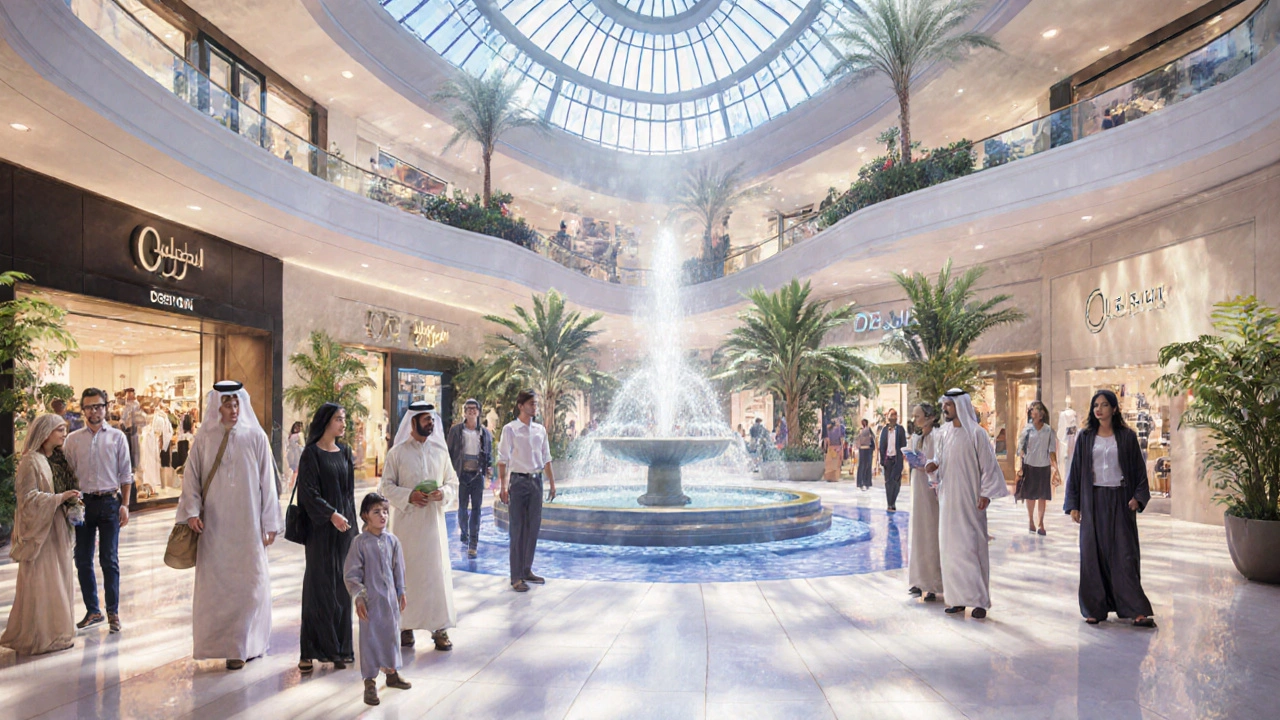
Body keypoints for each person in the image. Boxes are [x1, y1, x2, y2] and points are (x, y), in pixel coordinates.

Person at [176, 381, 282, 670]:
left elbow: (268, 483)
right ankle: (222, 646)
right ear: (217, 408)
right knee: (218, 589)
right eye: (227, 405)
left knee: (250, 585)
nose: (233, 410)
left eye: (236, 404)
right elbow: (191, 478)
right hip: (214, 528)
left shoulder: (255, 436)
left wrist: (270, 522)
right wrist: (192, 512)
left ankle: (245, 645)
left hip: (248, 526)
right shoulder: (204, 438)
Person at [1065, 390, 1156, 628]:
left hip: (1121, 501)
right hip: (1092, 501)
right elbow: (1076, 471)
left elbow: (1139, 470)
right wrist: (1074, 504)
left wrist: (1138, 498)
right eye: (1096, 405)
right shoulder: (1085, 437)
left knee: (1124, 555)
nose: (1099, 409)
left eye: (1104, 405)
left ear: (1114, 409)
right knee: (1092, 555)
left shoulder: (1127, 437)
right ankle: (1095, 608)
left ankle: (1135, 609)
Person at [379, 401, 457, 650]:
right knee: (407, 576)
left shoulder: (440, 452)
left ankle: (440, 629)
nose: (430, 423)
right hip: (407, 527)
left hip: (433, 526)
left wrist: (442, 493)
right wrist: (409, 496)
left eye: (432, 419)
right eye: (426, 419)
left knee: (435, 577)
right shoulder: (397, 453)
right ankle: (405, 627)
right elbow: (385, 486)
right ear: (413, 423)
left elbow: (452, 483)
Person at [1, 414, 80, 655]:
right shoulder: (30, 461)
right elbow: (27, 499)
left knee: (59, 578)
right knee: (44, 580)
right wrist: (60, 498)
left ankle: (59, 632)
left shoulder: (53, 459)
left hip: (56, 528)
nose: (64, 434)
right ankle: (41, 636)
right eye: (59, 430)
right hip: (41, 533)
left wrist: (71, 502)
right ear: (45, 433)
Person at [925, 389, 1008, 619]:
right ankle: (957, 599)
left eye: (949, 405)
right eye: (944, 404)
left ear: (960, 405)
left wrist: (985, 494)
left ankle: (979, 601)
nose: (945, 408)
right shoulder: (943, 434)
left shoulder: (977, 433)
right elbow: (939, 462)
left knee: (972, 548)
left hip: (971, 501)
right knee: (951, 550)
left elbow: (989, 467)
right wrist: (932, 467)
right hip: (948, 501)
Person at [61, 387, 132, 633]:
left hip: (110, 502)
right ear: (83, 410)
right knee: (82, 559)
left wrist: (125, 505)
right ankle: (93, 610)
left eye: (99, 406)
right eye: (90, 407)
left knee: (109, 559)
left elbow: (126, 474)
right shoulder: (73, 440)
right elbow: (68, 475)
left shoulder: (117, 437)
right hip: (83, 504)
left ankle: (113, 612)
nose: (95, 411)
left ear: (106, 408)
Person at [296, 403, 358, 673]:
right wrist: (331, 514)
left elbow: (349, 494)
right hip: (320, 530)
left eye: (343, 419)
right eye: (338, 419)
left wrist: (353, 529)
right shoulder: (310, 454)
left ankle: (339, 649)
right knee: (318, 588)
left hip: (344, 530)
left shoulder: (345, 452)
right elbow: (308, 493)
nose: (343, 424)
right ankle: (309, 651)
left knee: (342, 589)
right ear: (325, 422)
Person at [344, 493, 412, 706]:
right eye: (376, 512)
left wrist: (401, 591)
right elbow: (352, 574)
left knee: (391, 636)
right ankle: (370, 683)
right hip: (370, 603)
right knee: (370, 640)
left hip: (390, 601)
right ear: (365, 515)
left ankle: (392, 674)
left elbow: (398, 569)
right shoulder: (360, 543)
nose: (383, 516)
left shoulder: (392, 541)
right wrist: (359, 598)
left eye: (385, 511)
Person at [498, 390, 556, 593]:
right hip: (518, 481)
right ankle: (516, 577)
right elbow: (502, 460)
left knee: (533, 528)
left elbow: (546, 457)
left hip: (536, 482)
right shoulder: (510, 429)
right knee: (517, 529)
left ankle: (526, 569)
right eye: (531, 403)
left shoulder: (540, 430)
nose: (534, 407)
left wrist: (552, 483)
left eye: (535, 404)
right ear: (520, 406)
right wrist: (503, 486)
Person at [447, 398, 493, 559]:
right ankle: (464, 531)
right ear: (464, 412)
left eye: (474, 409)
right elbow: (449, 452)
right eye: (469, 409)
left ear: (479, 412)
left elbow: (489, 454)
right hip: (462, 474)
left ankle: (473, 543)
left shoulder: (485, 433)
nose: (472, 411)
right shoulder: (456, 431)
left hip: (477, 475)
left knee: (476, 509)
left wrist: (488, 471)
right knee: (462, 508)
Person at [907, 404, 943, 602]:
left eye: (918, 416)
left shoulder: (937, 437)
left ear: (929, 417)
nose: (915, 420)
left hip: (931, 488)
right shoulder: (916, 438)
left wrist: (927, 466)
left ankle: (932, 584)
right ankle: (918, 580)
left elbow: (940, 461)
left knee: (931, 531)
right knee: (918, 531)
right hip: (918, 486)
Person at [1017, 401, 1060, 536]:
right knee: (1030, 496)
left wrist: (1056, 468)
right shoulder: (1027, 429)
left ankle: (1041, 522)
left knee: (1042, 496)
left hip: (1044, 466)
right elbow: (1021, 448)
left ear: (1041, 415)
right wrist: (1020, 465)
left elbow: (1052, 450)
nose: (1032, 412)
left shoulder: (1049, 430)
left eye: (1035, 410)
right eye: (1032, 410)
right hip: (1030, 465)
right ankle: (1031, 520)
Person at [879, 409, 907, 510]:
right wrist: (882, 460)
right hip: (887, 460)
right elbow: (881, 445)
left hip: (897, 459)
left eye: (895, 415)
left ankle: (893, 501)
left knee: (896, 482)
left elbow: (904, 444)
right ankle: (889, 503)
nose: (893, 417)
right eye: (891, 415)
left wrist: (903, 456)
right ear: (888, 417)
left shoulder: (900, 429)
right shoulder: (884, 430)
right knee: (888, 482)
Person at [119, 388, 144, 472]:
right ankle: (130, 466)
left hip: (135, 429)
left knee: (135, 448)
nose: (128, 396)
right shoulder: (127, 405)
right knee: (128, 447)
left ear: (133, 394)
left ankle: (135, 466)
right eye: (127, 394)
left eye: (129, 394)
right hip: (127, 429)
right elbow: (123, 417)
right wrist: (122, 423)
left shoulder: (137, 405)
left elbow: (139, 417)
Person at [855, 419, 876, 490]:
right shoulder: (863, 430)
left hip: (865, 449)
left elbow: (873, 437)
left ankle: (863, 482)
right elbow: (873, 437)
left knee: (864, 465)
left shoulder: (864, 430)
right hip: (865, 449)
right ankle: (864, 482)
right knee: (865, 465)